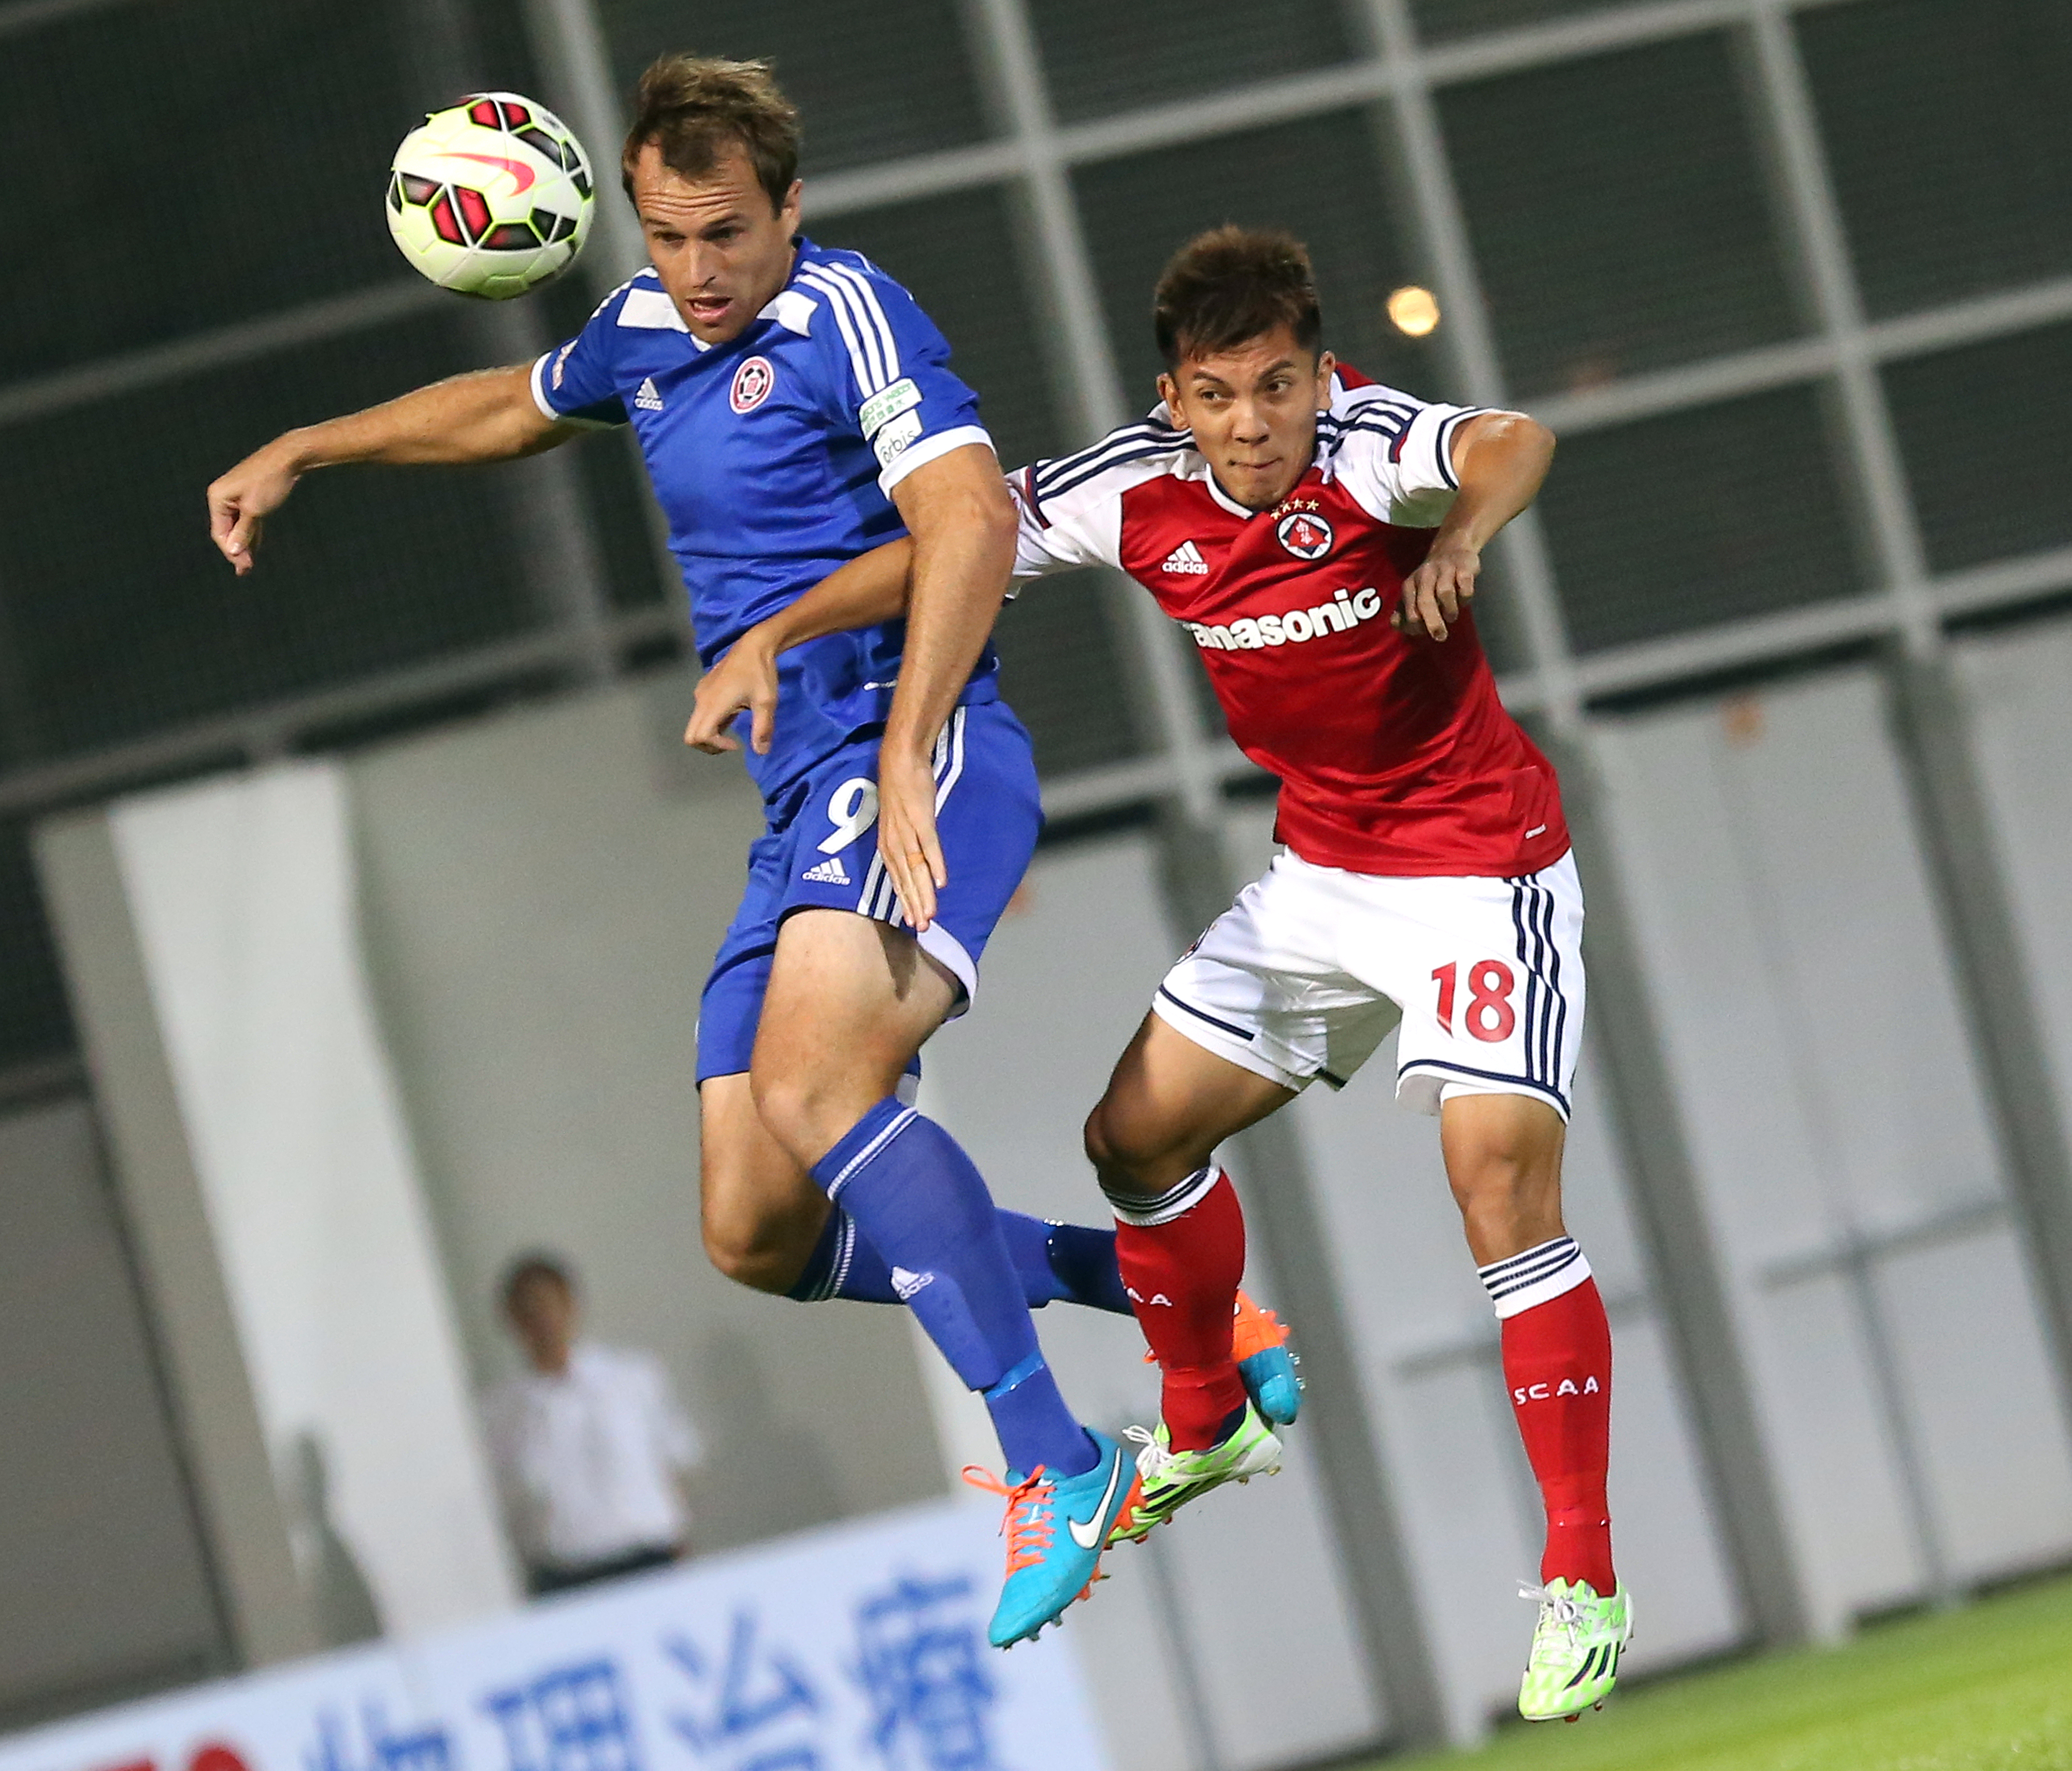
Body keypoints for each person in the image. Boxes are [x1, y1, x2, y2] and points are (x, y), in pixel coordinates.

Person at [203, 55, 1297, 1648]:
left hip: (912, 758)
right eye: (662, 235)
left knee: (814, 1090)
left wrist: (912, 737)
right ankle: (1179, 1303)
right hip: (803, 802)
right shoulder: (649, 327)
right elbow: (515, 403)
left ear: (789, 208)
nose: (695, 270)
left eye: (724, 232)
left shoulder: (848, 312)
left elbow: (974, 519)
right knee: (756, 1225)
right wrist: (311, 440)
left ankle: (1056, 1460)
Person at [692, 226, 1629, 1720]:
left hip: (1479, 872)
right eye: (1220, 394)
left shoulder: (1376, 450)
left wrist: (1460, 532)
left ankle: (1580, 1573)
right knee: (1133, 1138)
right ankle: (1205, 1412)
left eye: (1279, 387)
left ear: (1324, 376)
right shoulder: (1137, 484)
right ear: (1172, 400)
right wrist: (782, 628)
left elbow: (1514, 439)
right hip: (1323, 880)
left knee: (1497, 1193)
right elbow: (964, 538)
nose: (1255, 425)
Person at [482, 1254, 701, 1595]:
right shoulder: (502, 1411)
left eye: (548, 1303)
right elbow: (509, 1501)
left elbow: (674, 1460)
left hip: (648, 1555)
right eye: (526, 1310)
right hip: (566, 1573)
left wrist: (682, 1540)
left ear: (570, 1302)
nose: (541, 1320)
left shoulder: (632, 1377)